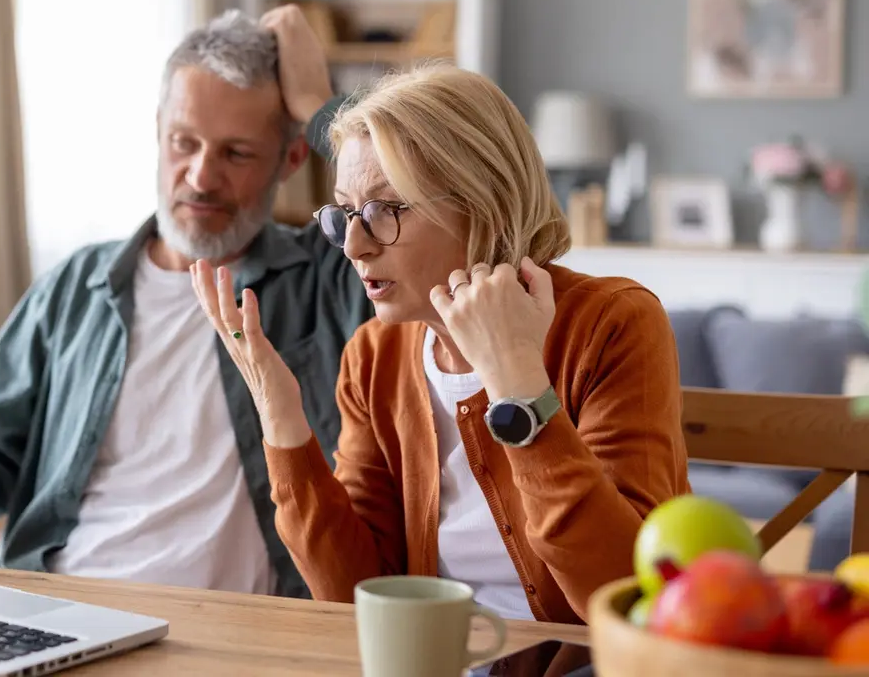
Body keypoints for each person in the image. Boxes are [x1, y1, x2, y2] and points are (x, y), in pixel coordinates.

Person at [191, 64, 691, 623]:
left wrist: (519, 385)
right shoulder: (374, 356)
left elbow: (622, 592)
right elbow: (355, 596)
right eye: (344, 214)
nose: (353, 246)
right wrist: (283, 420)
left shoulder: (612, 324)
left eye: (384, 210)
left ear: (482, 201)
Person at [0, 6, 364, 599]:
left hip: (236, 635)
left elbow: (429, 210)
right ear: (158, 131)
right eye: (182, 142)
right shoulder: (76, 287)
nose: (201, 175)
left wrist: (324, 109)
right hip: (58, 610)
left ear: (291, 159)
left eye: (236, 153)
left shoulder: (332, 280)